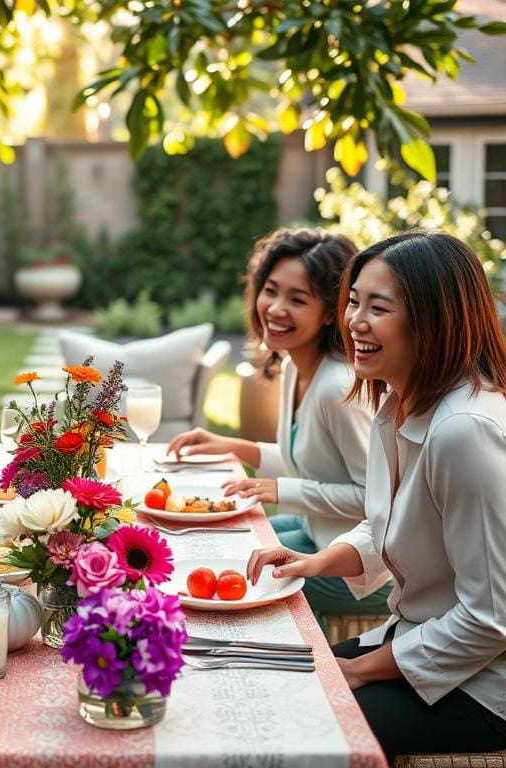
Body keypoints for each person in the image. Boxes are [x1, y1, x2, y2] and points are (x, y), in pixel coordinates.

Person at [248, 231, 506, 760]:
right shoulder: (397, 406)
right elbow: (389, 522)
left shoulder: (464, 431)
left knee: (302, 726)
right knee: (274, 684)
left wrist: (361, 670)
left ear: (434, 320)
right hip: (419, 638)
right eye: (353, 302)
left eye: (378, 308)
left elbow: (490, 620)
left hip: (483, 682)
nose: (354, 322)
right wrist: (316, 561)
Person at [168, 228, 389, 618]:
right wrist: (234, 447)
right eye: (270, 291)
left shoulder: (337, 387)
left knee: (231, 580)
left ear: (330, 312)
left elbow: (376, 499)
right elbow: (312, 459)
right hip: (315, 532)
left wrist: (279, 489)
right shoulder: (294, 366)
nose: (275, 308)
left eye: (297, 299)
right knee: (218, 543)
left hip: (360, 570)